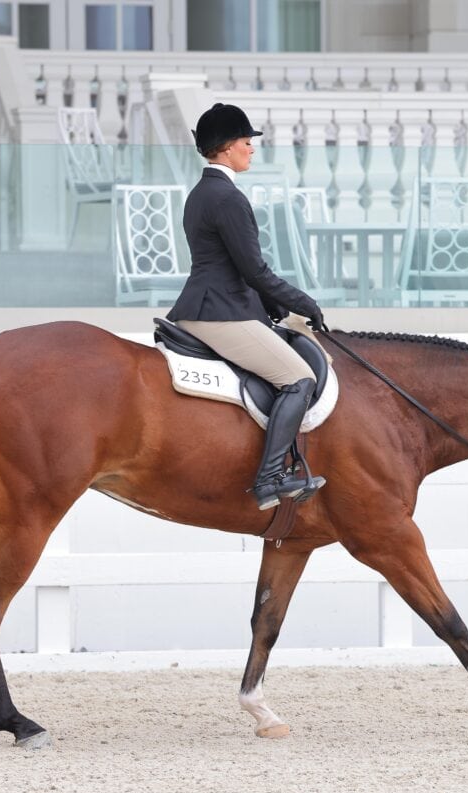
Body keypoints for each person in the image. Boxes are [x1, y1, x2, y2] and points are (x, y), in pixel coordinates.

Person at [166, 102, 326, 512]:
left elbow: (236, 268)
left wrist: (273, 305)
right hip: (220, 313)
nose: (251, 148)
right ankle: (270, 477)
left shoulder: (201, 193)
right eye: (244, 141)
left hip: (210, 303)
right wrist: (305, 303)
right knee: (298, 378)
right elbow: (254, 270)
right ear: (224, 147)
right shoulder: (228, 198)